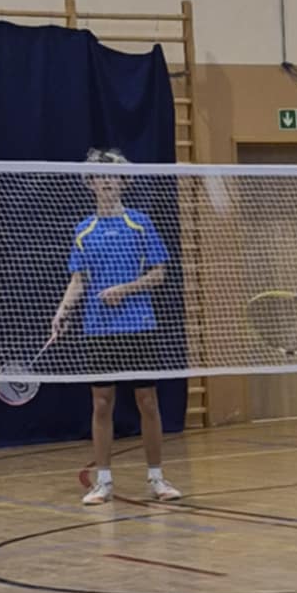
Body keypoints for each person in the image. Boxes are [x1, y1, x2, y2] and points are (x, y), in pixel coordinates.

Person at [49, 148, 181, 507]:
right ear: (90, 183)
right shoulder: (84, 230)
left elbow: (159, 274)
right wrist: (62, 312)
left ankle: (157, 478)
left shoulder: (140, 223)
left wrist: (125, 289)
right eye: (99, 176)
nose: (106, 181)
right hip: (98, 329)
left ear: (124, 181)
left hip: (138, 324)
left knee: (147, 401)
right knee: (102, 403)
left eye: (113, 175)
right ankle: (103, 482)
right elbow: (78, 280)